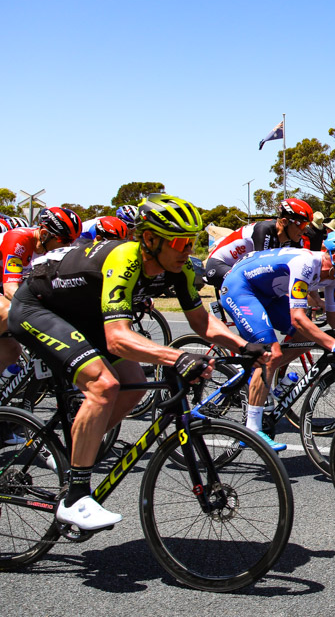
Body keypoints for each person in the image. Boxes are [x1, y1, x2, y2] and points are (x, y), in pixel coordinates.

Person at [7, 194, 255, 531]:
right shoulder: (126, 257)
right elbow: (117, 338)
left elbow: (202, 323)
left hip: (82, 314)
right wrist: (177, 356)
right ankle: (75, 497)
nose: (188, 250)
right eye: (180, 242)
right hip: (38, 307)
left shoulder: (178, 269)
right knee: (104, 384)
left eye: (192, 242)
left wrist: (249, 346)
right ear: (150, 240)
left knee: (132, 386)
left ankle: (75, 450)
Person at [218, 229, 335, 450]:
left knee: (305, 336)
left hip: (268, 295)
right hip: (240, 288)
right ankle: (252, 430)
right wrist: (330, 343)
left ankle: (264, 377)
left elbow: (334, 317)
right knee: (270, 353)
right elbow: (298, 317)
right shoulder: (306, 264)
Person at [0, 207, 83, 372]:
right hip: (5, 286)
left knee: (10, 352)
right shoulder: (18, 240)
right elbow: (10, 290)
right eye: (64, 240)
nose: (68, 245)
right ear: (44, 234)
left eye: (72, 240)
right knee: (7, 311)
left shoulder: (51, 250)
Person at [203, 198, 313, 300]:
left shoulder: (294, 238)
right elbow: (260, 271)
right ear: (284, 221)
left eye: (307, 225)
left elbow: (299, 271)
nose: (305, 231)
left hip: (239, 268)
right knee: (256, 289)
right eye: (302, 225)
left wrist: (316, 299)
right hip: (219, 265)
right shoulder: (264, 230)